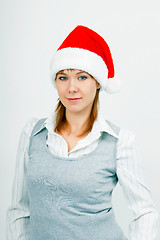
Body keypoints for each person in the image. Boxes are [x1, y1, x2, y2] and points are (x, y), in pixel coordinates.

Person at [6, 25, 158, 240]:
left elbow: (144, 212)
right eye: (63, 77)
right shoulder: (33, 133)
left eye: (82, 77)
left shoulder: (120, 142)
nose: (71, 88)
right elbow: (19, 210)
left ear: (98, 82)